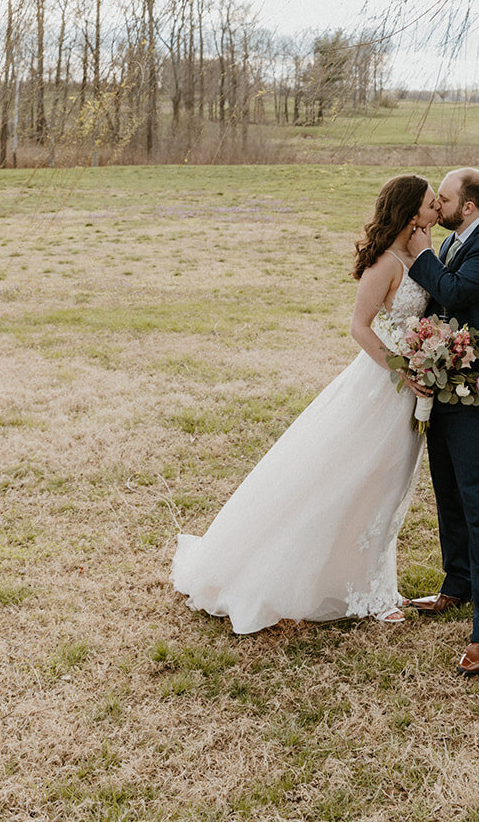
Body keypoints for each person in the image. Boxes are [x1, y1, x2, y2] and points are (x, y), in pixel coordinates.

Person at [171, 173, 437, 631]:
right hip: (381, 386)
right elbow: (359, 326)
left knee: (387, 485)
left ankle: (370, 580)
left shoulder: (421, 255)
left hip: (405, 391)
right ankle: (356, 588)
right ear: (413, 212)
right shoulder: (388, 262)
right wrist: (402, 369)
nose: (438, 210)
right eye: (433, 203)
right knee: (357, 480)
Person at [401, 167, 479, 677]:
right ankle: (457, 584)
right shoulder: (455, 241)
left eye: (442, 201)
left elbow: (451, 293)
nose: (436, 209)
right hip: (449, 386)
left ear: (465, 206)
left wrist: (421, 251)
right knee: (449, 494)